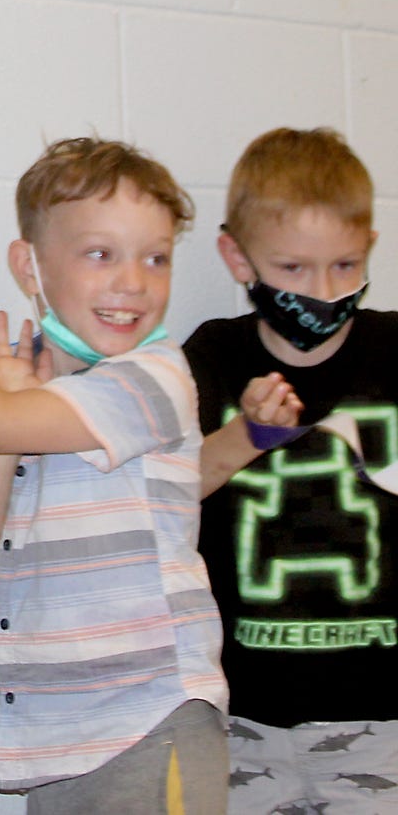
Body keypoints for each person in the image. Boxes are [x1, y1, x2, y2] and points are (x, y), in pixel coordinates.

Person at [0, 137, 230, 813]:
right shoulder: (13, 403)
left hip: (151, 722)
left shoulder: (153, 378)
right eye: (100, 253)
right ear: (30, 266)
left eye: (156, 258)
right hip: (57, 746)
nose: (133, 282)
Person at [189, 126, 398, 811]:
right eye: (293, 270)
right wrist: (244, 433)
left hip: (384, 721)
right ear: (238, 258)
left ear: (368, 247)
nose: (322, 293)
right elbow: (161, 495)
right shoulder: (211, 359)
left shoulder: (394, 350)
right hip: (246, 721)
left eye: (344, 266)